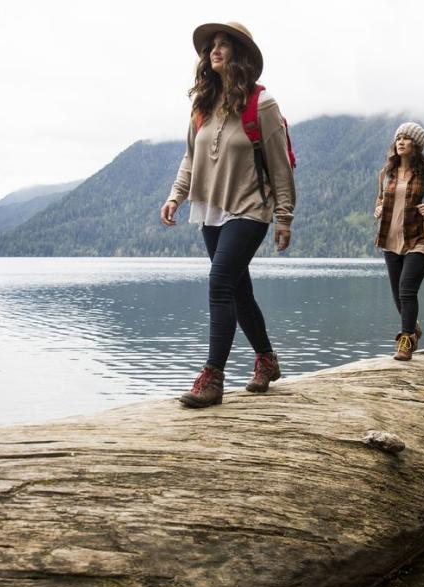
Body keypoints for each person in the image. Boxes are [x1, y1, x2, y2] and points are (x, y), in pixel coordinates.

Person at [160, 21, 296, 408]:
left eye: (223, 45)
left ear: (240, 53)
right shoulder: (202, 106)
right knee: (238, 292)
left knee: (219, 283)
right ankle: (267, 359)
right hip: (210, 208)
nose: (214, 51)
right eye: (210, 46)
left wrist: (283, 216)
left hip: (250, 208)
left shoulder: (262, 104)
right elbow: (191, 157)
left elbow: (280, 165)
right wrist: (176, 196)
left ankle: (213, 377)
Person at [373, 122, 424, 360]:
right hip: (391, 238)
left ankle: (406, 341)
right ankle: (413, 326)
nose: (401, 142)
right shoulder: (386, 173)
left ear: (415, 145)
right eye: (398, 138)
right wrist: (378, 207)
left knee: (407, 290)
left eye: (406, 138)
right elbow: (380, 199)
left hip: (420, 239)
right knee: (398, 294)